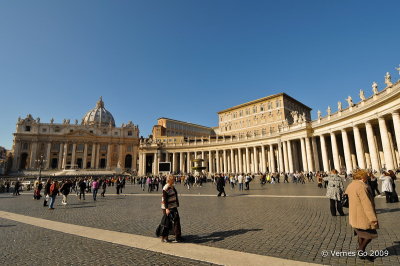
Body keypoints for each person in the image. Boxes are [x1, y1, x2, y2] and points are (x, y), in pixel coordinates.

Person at [345, 169, 378, 262]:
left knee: (361, 234)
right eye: (366, 176)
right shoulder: (362, 187)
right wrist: (372, 218)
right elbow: (366, 204)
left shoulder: (351, 185)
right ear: (363, 177)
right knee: (370, 235)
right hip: (363, 215)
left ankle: (361, 252)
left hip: (354, 214)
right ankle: (361, 250)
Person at [160, 175, 183, 243]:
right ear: (169, 180)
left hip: (173, 206)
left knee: (176, 221)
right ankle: (164, 237)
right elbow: (164, 199)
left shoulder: (172, 186)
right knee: (167, 223)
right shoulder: (166, 187)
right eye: (173, 179)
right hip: (167, 207)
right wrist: (167, 208)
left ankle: (178, 236)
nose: (174, 180)